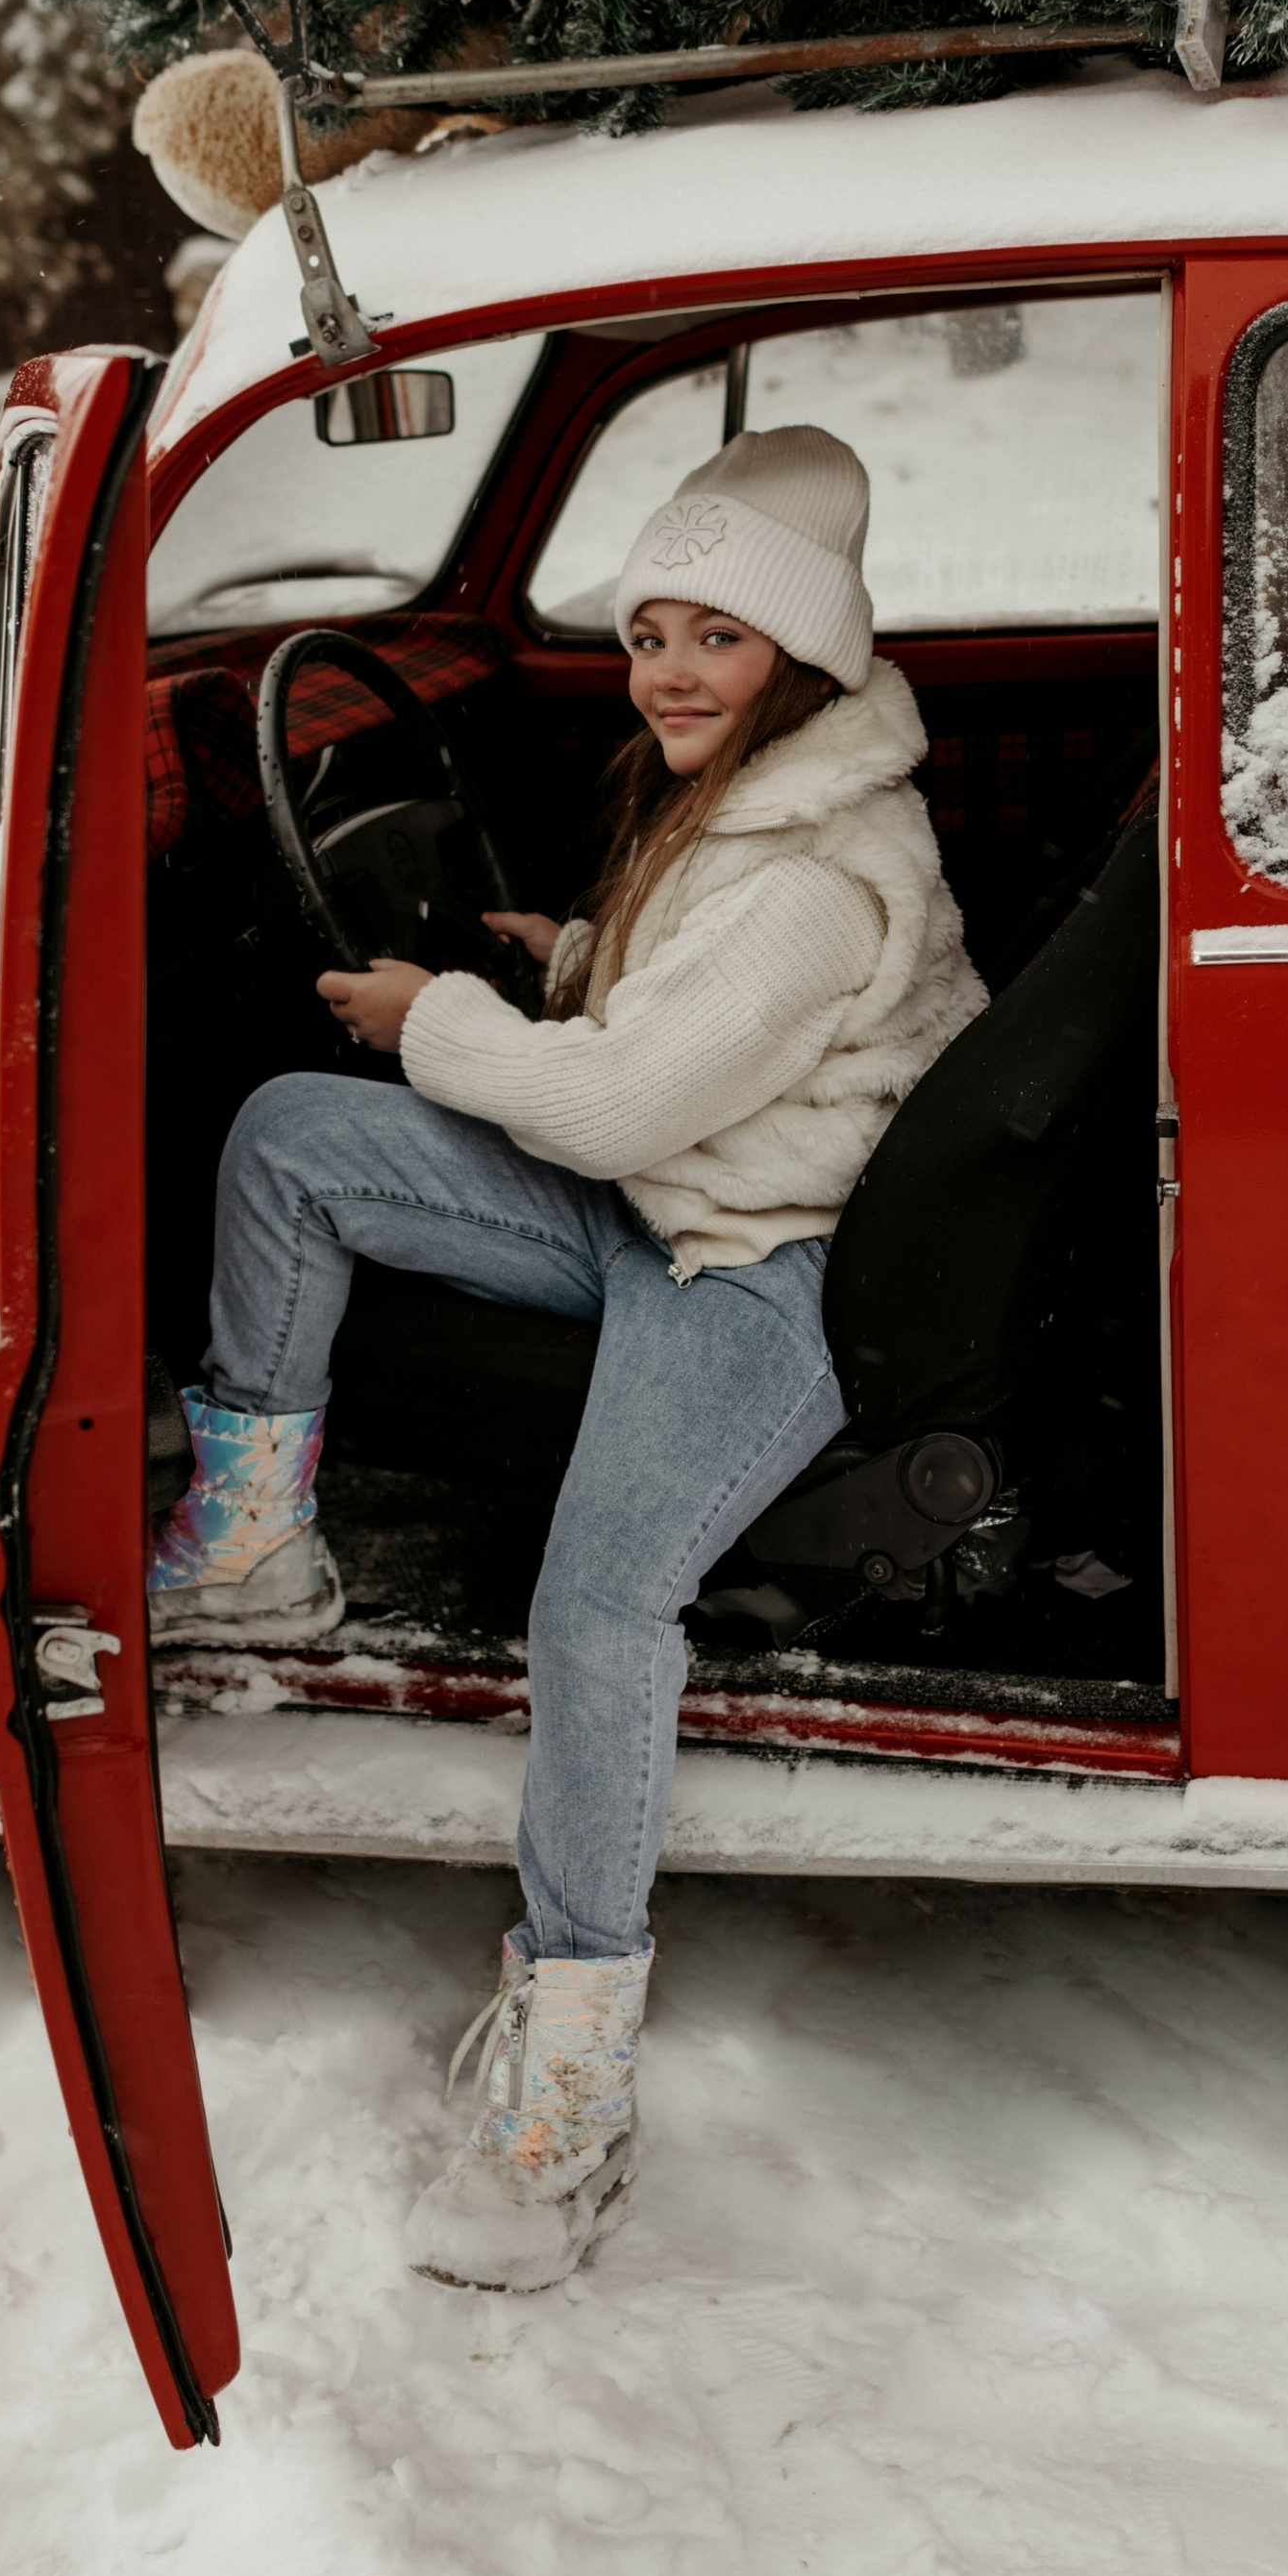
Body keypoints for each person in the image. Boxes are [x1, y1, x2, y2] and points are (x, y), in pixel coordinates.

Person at [145, 425, 985, 2290]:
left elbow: (616, 1105)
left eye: (718, 639)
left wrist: (434, 1005)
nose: (671, 672)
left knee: (598, 1604)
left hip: (759, 1265)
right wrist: (571, 945)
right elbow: (681, 1003)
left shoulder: (818, 868)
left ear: (807, 657)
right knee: (291, 1131)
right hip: (680, 1184)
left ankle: (569, 2069)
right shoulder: (756, 805)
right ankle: (256, 1540)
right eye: (651, 632)